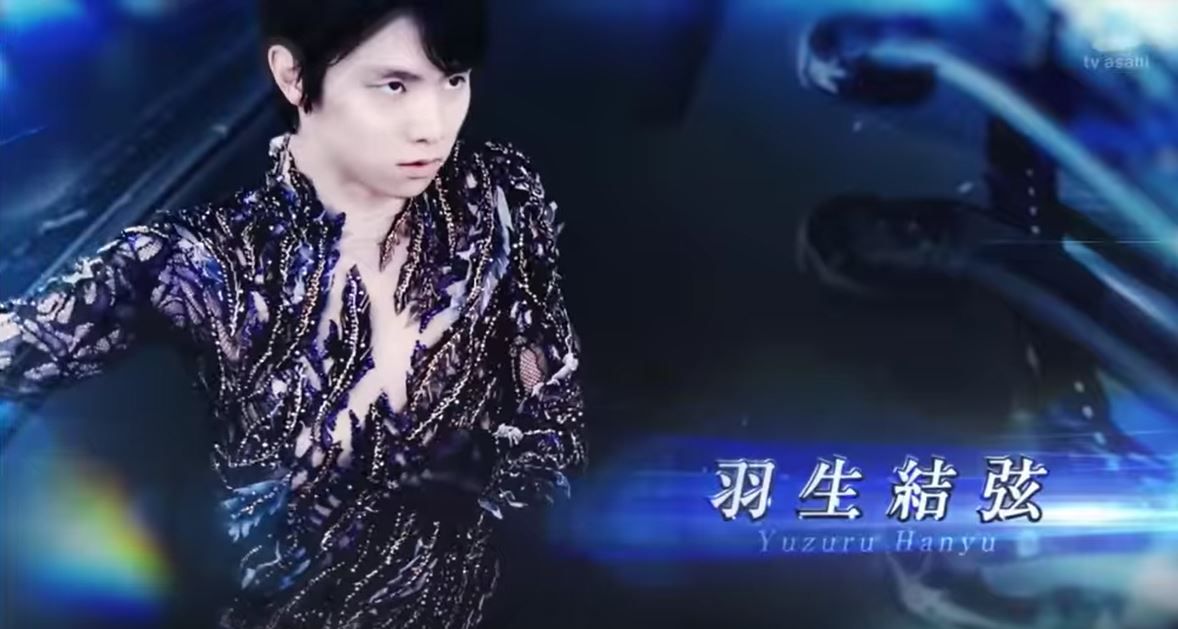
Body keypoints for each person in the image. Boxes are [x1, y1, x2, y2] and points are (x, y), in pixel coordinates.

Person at [0, 1, 588, 627]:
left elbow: (552, 405)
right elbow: (24, 345)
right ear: (293, 76)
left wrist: (495, 491)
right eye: (394, 86)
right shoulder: (205, 262)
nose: (433, 126)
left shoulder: (496, 198)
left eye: (453, 81)